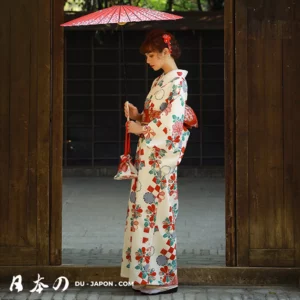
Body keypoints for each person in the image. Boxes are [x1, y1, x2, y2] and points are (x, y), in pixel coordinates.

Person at [120, 29, 196, 295]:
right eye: (147, 56)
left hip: (161, 159)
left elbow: (173, 125)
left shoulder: (178, 82)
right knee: (143, 215)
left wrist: (143, 130)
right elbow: (153, 118)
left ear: (167, 53)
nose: (148, 60)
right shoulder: (159, 82)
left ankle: (162, 278)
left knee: (160, 215)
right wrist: (138, 115)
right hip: (147, 157)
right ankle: (144, 275)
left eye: (152, 55)